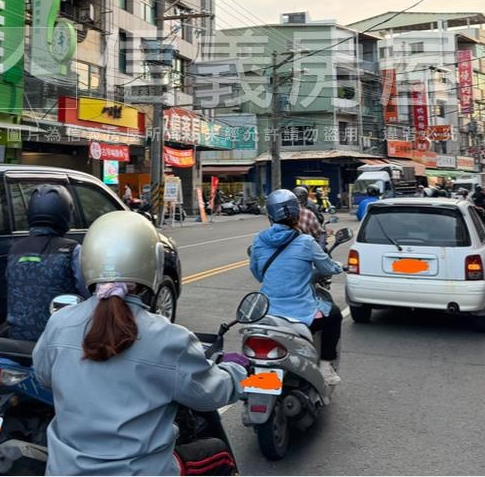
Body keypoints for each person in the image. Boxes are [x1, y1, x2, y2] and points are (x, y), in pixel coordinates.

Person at [33, 211, 248, 475]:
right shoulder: (168, 338)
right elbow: (211, 394)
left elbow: (44, 376)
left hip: (64, 470)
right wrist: (236, 369)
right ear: (152, 263)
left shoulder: (59, 323)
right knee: (217, 451)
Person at [248, 189, 344, 387]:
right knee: (334, 315)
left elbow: (259, 275)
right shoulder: (306, 242)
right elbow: (326, 266)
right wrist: (339, 267)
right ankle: (325, 366)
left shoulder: (259, 240)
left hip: (267, 313)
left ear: (270, 216)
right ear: (297, 216)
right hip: (300, 314)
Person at [6, 186, 90, 343]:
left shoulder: (15, 250)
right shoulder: (72, 250)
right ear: (65, 213)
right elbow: (88, 294)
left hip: (17, 338)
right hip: (59, 339)